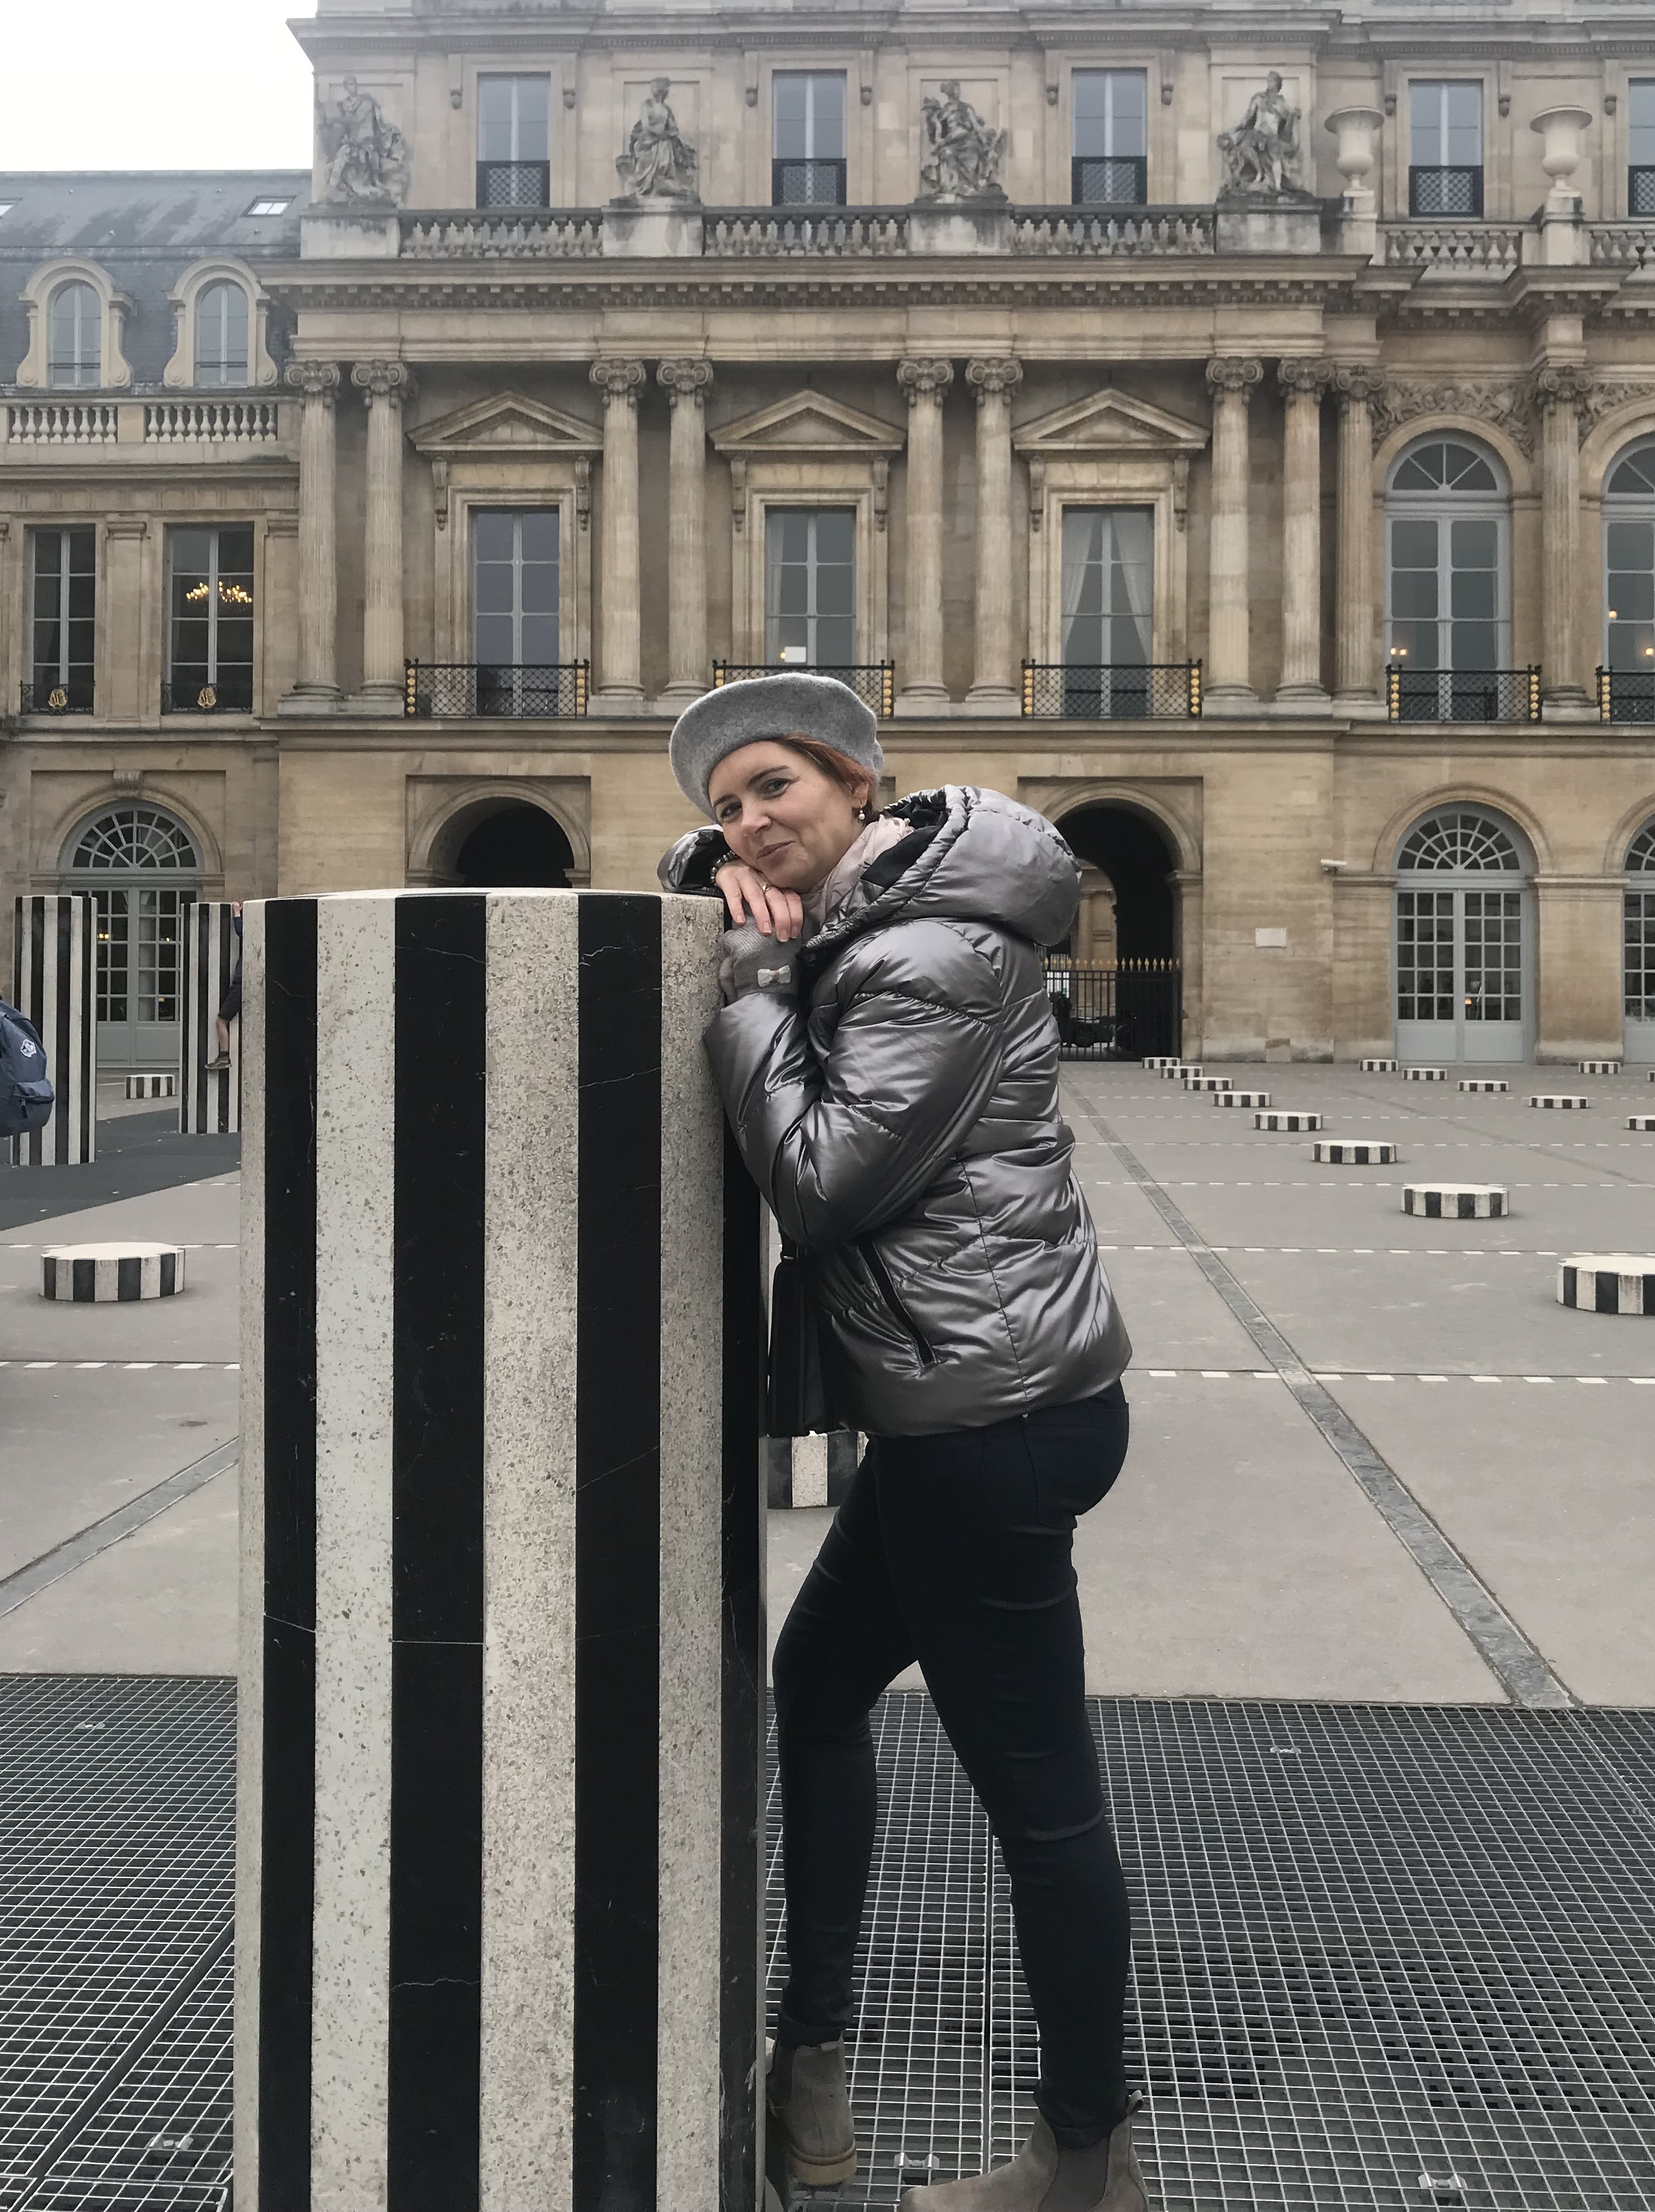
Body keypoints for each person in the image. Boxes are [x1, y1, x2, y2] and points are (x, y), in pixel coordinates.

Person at [660, 673, 1145, 2212]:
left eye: (775, 788)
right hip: (976, 1403)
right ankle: (813, 2067)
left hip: (987, 1425)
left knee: (1043, 1809)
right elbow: (718, 888)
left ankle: (1084, 2161)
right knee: (815, 1689)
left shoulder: (930, 953)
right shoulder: (890, 913)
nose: (751, 822)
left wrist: (748, 983)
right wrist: (713, 876)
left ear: (860, 784)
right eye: (727, 807)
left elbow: (822, 1183)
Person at [214, 901, 243, 1061]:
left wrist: (237, 913)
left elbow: (241, 931)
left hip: (240, 985)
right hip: (247, 983)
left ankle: (224, 1056)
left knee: (221, 1021)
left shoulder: (252, 935)